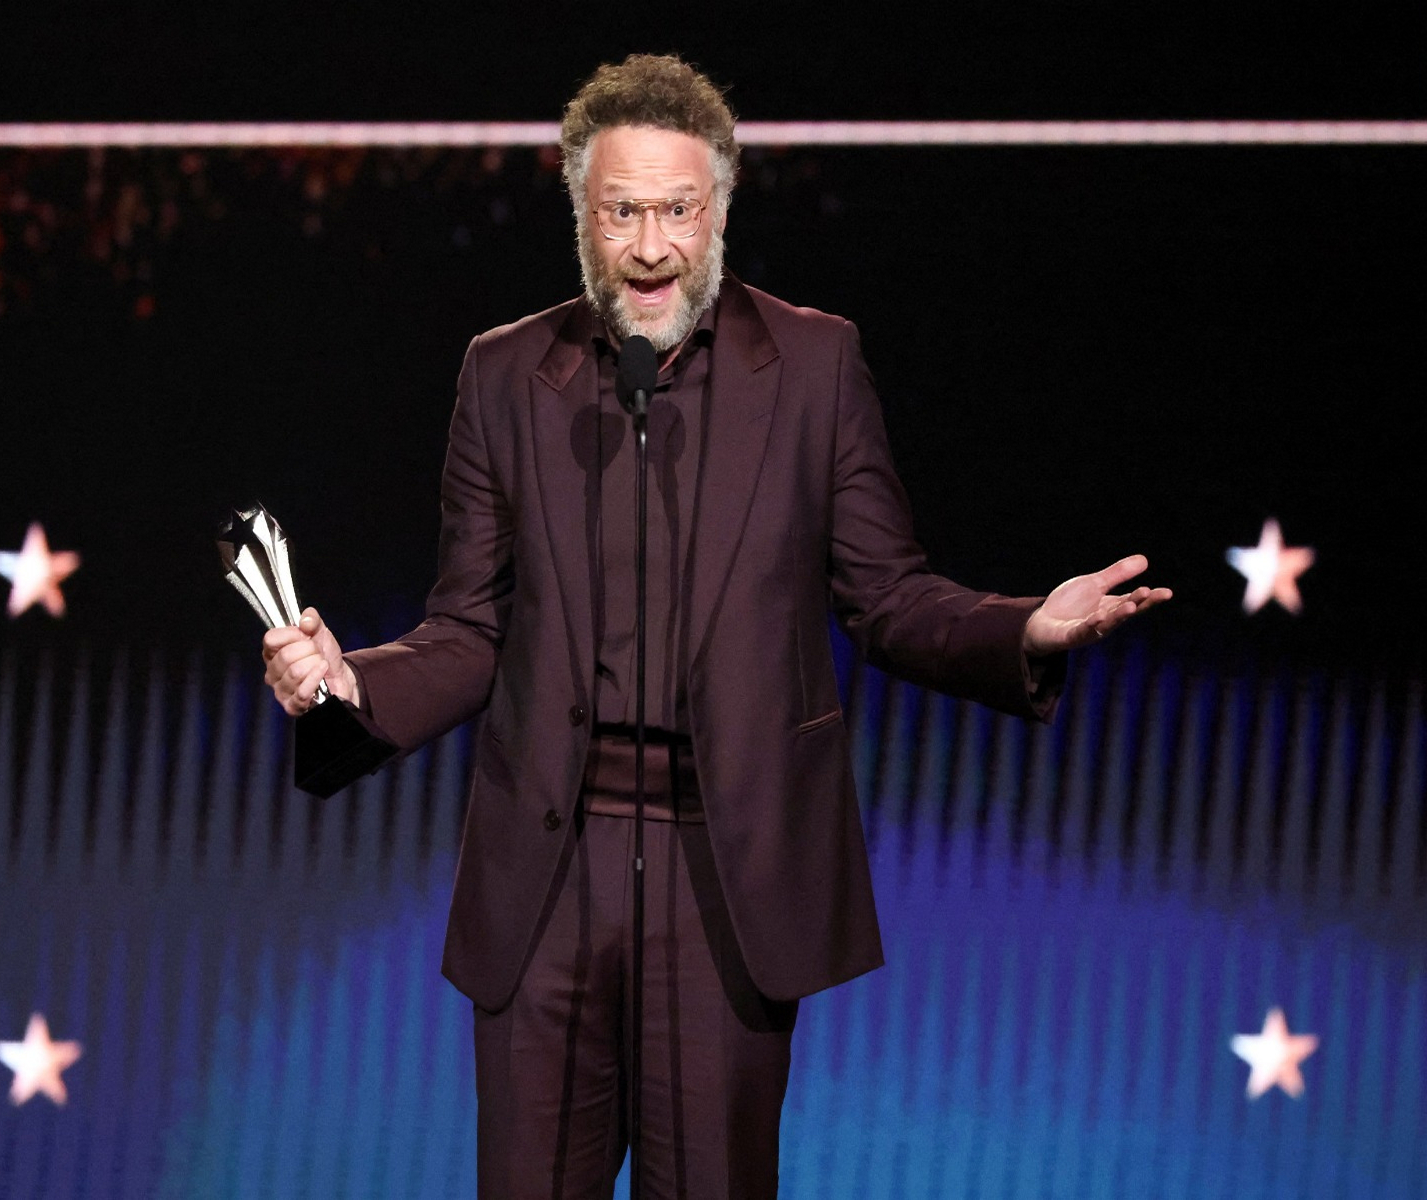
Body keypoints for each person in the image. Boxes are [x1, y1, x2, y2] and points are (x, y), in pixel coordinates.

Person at [262, 53, 1169, 1200]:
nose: (651, 247)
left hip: (726, 882)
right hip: (547, 878)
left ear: (721, 208)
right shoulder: (505, 376)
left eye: (678, 210)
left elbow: (887, 595)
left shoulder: (811, 365)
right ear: (582, 215)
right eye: (622, 211)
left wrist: (1023, 630)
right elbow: (469, 628)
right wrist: (350, 682)